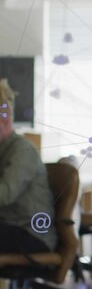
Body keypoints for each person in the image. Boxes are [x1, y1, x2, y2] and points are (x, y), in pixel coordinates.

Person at [0, 79, 57, 253]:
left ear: (5, 120)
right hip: (12, 226)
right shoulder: (4, 149)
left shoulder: (22, 150)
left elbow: (4, 194)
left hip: (32, 234)